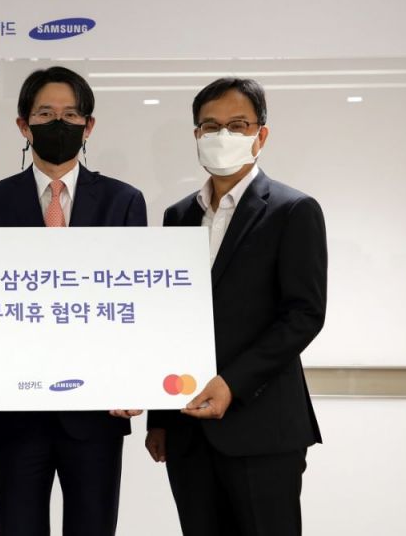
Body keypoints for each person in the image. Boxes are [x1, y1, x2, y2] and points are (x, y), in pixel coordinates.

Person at [0, 65, 148, 536]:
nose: (58, 124)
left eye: (70, 115)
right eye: (45, 114)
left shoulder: (124, 201)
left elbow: (138, 303)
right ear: (23, 125)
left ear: (89, 126)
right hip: (14, 411)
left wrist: (134, 377)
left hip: (97, 411)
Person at [145, 78, 327, 536]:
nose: (222, 135)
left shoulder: (293, 210)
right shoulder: (177, 216)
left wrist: (233, 383)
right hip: (187, 430)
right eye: (211, 126)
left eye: (237, 125)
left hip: (262, 427)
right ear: (196, 135)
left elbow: (304, 314)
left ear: (260, 135)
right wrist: (159, 418)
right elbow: (169, 318)